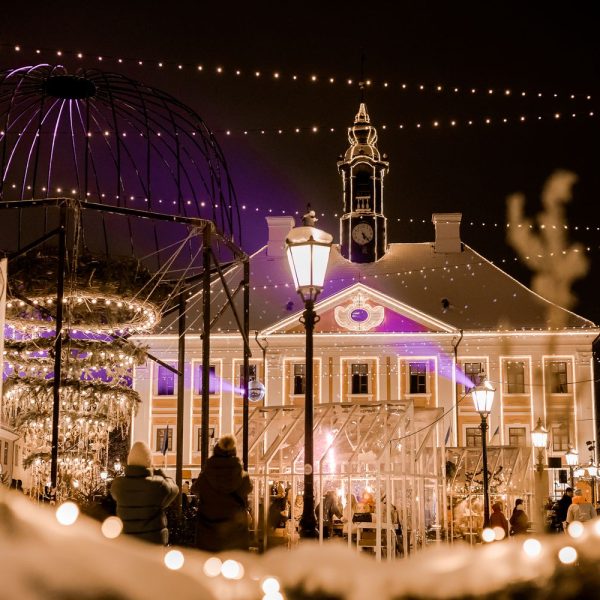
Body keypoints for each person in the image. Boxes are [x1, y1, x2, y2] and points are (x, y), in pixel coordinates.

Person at [191, 434, 253, 552]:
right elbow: (249, 488)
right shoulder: (242, 476)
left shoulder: (206, 475)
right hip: (235, 532)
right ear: (234, 451)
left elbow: (195, 489)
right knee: (235, 565)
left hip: (208, 532)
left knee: (209, 566)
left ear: (216, 450)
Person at [110, 441, 178, 545]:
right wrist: (160, 472)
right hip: (152, 543)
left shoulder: (118, 485)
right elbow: (174, 489)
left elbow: (115, 496)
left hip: (127, 541)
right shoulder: (158, 485)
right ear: (149, 462)